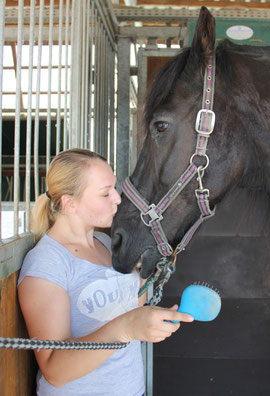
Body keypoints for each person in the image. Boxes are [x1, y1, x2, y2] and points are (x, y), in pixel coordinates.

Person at [18, 148, 194, 396]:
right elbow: (54, 371)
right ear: (70, 203)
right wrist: (125, 328)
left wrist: (145, 276)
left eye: (114, 187)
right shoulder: (47, 263)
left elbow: (132, 305)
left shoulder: (105, 241)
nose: (118, 199)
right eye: (105, 193)